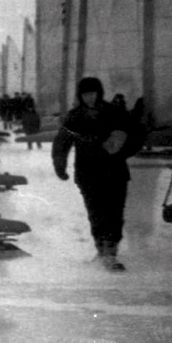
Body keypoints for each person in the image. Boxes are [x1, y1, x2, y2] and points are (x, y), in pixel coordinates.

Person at [52, 77, 135, 271]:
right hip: (88, 173)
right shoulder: (74, 116)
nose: (89, 98)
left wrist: (121, 147)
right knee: (96, 212)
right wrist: (60, 166)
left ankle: (111, 251)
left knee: (114, 212)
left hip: (114, 172)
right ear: (80, 96)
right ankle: (101, 248)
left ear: (99, 93)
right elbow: (62, 142)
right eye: (85, 94)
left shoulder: (114, 112)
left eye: (92, 93)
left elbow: (133, 134)